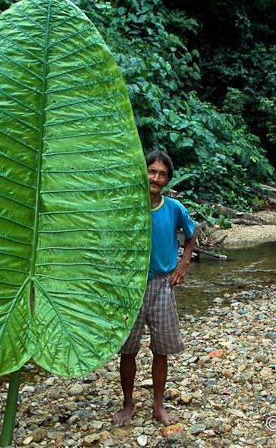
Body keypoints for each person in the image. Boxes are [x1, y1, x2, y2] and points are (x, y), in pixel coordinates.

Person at [112, 149, 196, 426]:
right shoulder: (128, 206)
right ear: (143, 172)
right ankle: (127, 404)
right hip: (131, 287)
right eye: (151, 171)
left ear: (168, 179)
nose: (155, 178)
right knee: (128, 349)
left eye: (162, 174)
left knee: (161, 350)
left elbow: (192, 235)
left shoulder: (173, 208)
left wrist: (182, 265)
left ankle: (158, 406)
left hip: (162, 284)